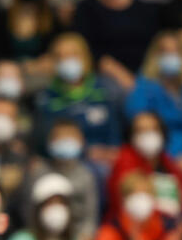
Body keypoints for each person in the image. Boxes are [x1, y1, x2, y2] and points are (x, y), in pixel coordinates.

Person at [71, 0, 162, 94]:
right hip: (106, 73)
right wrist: (115, 71)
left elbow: (155, 43)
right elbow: (84, 46)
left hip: (146, 71)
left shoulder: (144, 8)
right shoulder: (87, 8)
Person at [125, 31, 182, 182]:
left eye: (175, 52)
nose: (170, 56)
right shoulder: (144, 86)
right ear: (155, 56)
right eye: (164, 52)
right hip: (156, 153)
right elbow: (139, 123)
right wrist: (170, 160)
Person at [32, 32, 122, 161]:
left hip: (106, 161)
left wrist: (110, 152)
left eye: (72, 54)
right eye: (60, 56)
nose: (66, 60)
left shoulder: (105, 89)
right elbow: (43, 141)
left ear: (85, 57)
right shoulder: (46, 97)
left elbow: (116, 134)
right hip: (64, 162)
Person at [107, 110, 182, 222]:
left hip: (176, 223)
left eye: (153, 130)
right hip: (140, 224)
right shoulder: (125, 161)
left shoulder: (168, 163)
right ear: (132, 136)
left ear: (162, 134)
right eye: (141, 131)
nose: (148, 135)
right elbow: (125, 205)